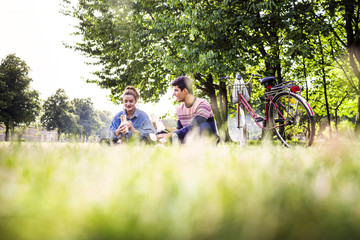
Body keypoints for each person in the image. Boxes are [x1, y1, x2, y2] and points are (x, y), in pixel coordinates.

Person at [157, 76, 218, 144]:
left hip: (207, 142)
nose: (173, 94)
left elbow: (194, 126)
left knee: (203, 126)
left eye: (176, 90)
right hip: (189, 143)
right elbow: (180, 130)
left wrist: (173, 134)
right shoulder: (179, 109)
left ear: (185, 91)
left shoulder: (202, 104)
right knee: (163, 135)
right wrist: (165, 128)